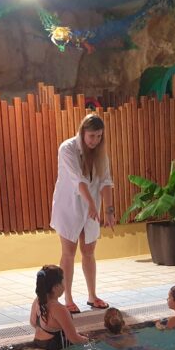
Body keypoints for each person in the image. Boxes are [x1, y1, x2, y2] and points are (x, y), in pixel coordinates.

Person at [50, 113, 115, 314]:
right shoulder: (67, 148)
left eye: (99, 136)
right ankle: (68, 298)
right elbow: (78, 179)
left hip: (91, 206)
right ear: (82, 132)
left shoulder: (100, 153)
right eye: (91, 136)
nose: (95, 140)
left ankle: (92, 295)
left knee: (88, 251)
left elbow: (106, 181)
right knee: (68, 252)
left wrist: (109, 210)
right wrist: (92, 205)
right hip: (69, 205)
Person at [30, 265, 89, 350]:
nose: (64, 285)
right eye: (63, 282)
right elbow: (74, 339)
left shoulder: (38, 301)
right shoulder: (59, 309)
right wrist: (88, 340)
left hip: (37, 346)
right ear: (55, 287)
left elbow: (33, 323)